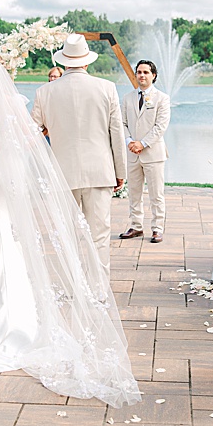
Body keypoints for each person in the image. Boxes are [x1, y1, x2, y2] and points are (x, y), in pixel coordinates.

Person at [0, 55, 140, 407]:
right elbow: (31, 141)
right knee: (12, 234)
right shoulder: (12, 103)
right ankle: (18, 303)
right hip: (7, 174)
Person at [32, 34, 127, 268]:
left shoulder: (45, 92)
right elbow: (117, 133)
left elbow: (30, 132)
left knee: (67, 236)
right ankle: (99, 291)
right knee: (100, 236)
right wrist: (120, 171)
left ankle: (76, 291)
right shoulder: (107, 88)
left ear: (64, 61)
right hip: (100, 170)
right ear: (87, 61)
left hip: (62, 173)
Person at [120, 60, 171, 243]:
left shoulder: (162, 98)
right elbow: (122, 123)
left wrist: (143, 143)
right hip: (132, 153)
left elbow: (160, 126)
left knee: (156, 194)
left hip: (153, 154)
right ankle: (136, 226)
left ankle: (157, 229)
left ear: (153, 75)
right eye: (139, 72)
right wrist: (129, 142)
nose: (142, 75)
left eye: (146, 72)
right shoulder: (127, 98)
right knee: (134, 193)